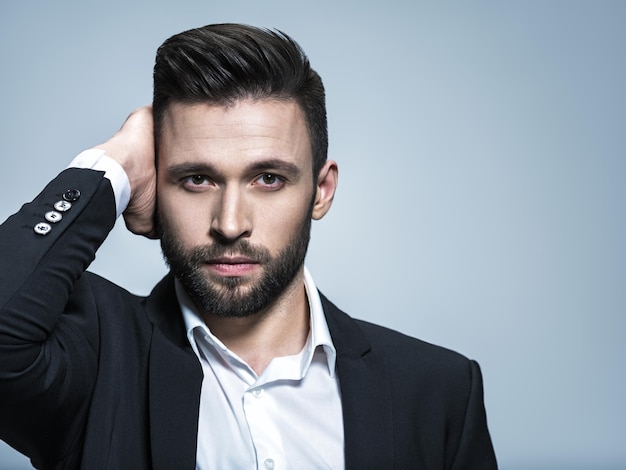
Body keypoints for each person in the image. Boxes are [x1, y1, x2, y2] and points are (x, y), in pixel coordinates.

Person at [0, 23, 497, 469]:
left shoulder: (437, 391)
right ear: (157, 185)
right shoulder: (97, 357)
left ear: (321, 192)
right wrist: (115, 167)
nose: (230, 224)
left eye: (268, 178)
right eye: (196, 179)